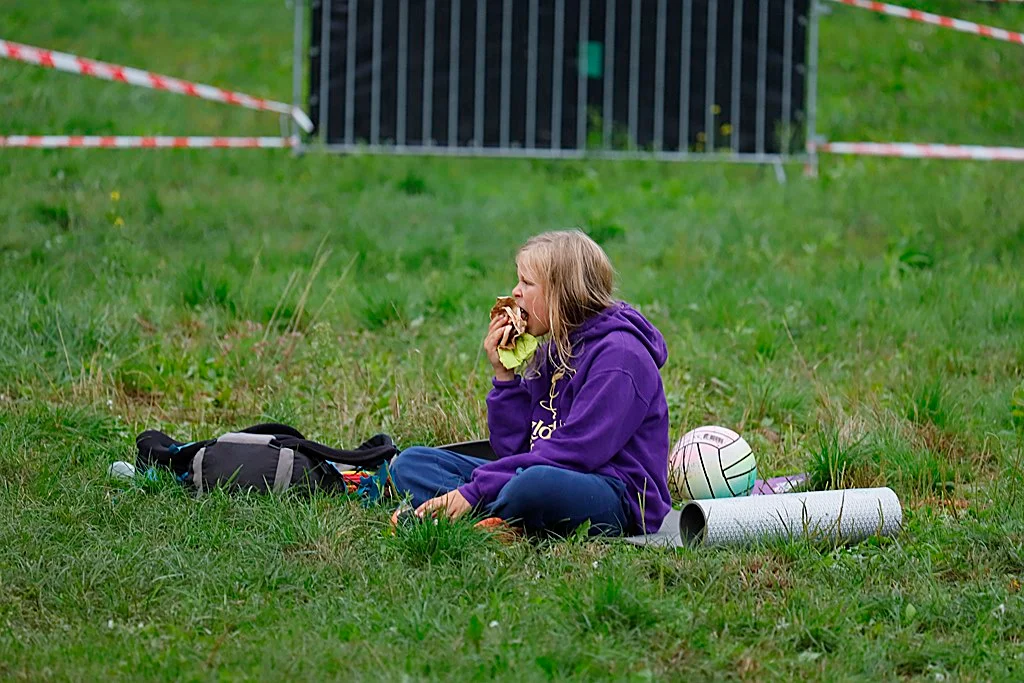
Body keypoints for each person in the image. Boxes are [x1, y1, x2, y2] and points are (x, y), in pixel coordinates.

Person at [389, 229, 671, 537]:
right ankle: (500, 521)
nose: (515, 291)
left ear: (563, 293)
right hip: (544, 470)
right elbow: (515, 451)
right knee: (411, 464)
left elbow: (576, 455)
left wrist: (474, 491)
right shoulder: (553, 351)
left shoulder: (620, 358)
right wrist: (504, 376)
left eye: (526, 283)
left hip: (614, 495)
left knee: (532, 487)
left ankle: (475, 515)